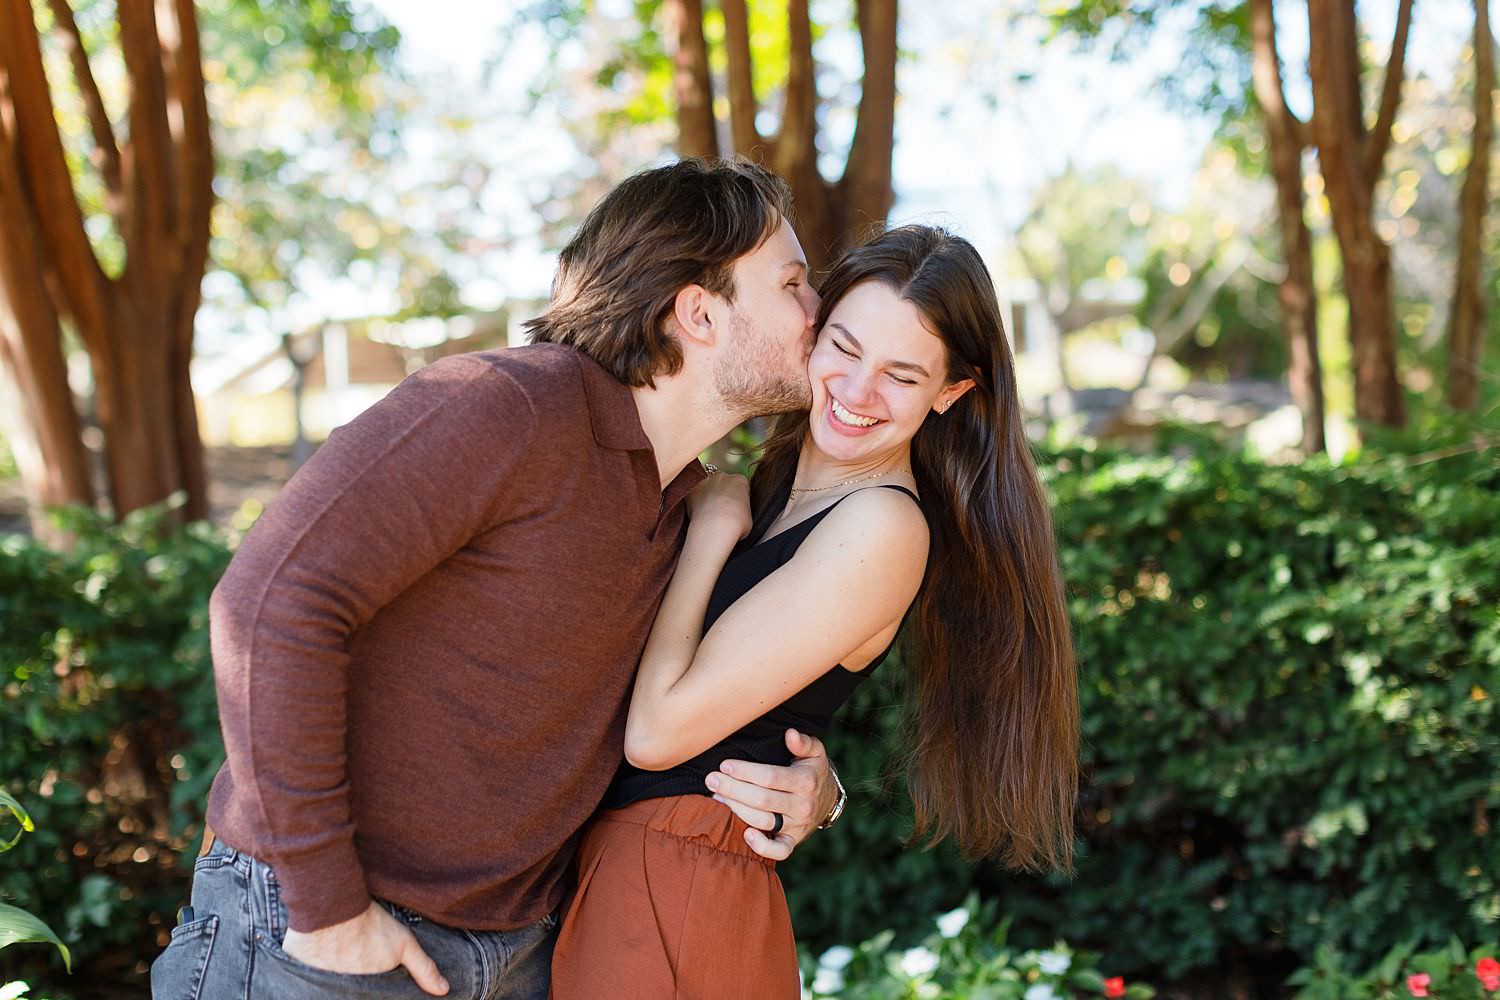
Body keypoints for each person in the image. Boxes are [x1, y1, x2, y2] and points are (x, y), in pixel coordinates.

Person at [149, 158, 846, 1000]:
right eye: (794, 284)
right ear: (699, 313)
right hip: (326, 942)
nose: (821, 310)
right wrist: (327, 909)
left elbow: (680, 716)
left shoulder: (694, 511)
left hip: (523, 953)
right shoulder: (509, 407)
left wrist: (815, 788)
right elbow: (266, 602)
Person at [549, 225, 1080, 999]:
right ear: (813, 329)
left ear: (950, 392)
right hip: (633, 867)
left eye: (902, 375)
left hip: (671, 881)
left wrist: (710, 535)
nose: (858, 392)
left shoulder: (883, 527)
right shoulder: (777, 482)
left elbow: (657, 733)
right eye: (845, 347)